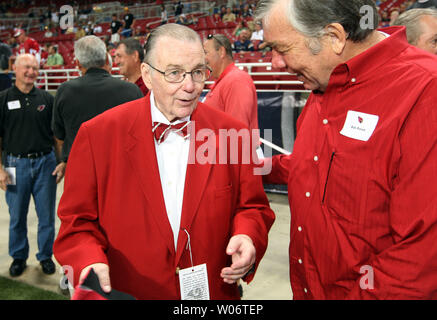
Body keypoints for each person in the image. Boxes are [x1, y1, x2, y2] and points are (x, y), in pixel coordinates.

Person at [53, 23, 275, 300]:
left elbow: (253, 206)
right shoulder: (97, 135)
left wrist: (248, 236)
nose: (190, 86)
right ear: (146, 75)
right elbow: (76, 224)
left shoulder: (233, 133)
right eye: (174, 73)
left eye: (197, 71)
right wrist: (88, 262)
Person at [256, 0, 437, 299]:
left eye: (282, 49)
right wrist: (256, 167)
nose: (275, 63)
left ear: (334, 37)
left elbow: (421, 255)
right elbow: (312, 165)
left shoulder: (424, 90)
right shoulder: (323, 79)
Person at [0, 54, 64, 277]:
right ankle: (19, 256)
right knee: (17, 215)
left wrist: (61, 161)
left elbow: (57, 135)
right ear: (14, 69)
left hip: (45, 163)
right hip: (13, 164)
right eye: (27, 67)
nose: (31, 72)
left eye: (35, 68)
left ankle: (45, 256)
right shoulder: (3, 99)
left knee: (46, 215)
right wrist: (0, 169)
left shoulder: (47, 98)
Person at [52, 35, 143, 164]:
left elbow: (59, 136)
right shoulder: (131, 90)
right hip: (120, 168)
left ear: (77, 63)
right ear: (107, 59)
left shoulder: (64, 91)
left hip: (80, 167)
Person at [203, 33, 259, 132]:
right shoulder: (223, 81)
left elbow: (237, 134)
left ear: (221, 52)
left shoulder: (236, 80)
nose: (203, 59)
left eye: (205, 52)